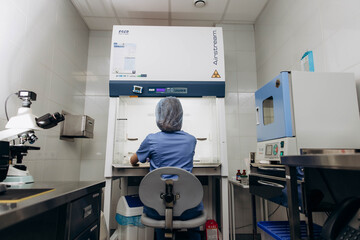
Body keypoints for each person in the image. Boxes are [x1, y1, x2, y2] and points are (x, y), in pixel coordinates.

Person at [130, 97, 203, 240]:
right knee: (192, 215)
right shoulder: (191, 140)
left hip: (157, 209)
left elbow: (133, 160)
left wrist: (148, 158)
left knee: (160, 217)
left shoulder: (151, 139)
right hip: (188, 208)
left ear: (159, 117)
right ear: (180, 116)